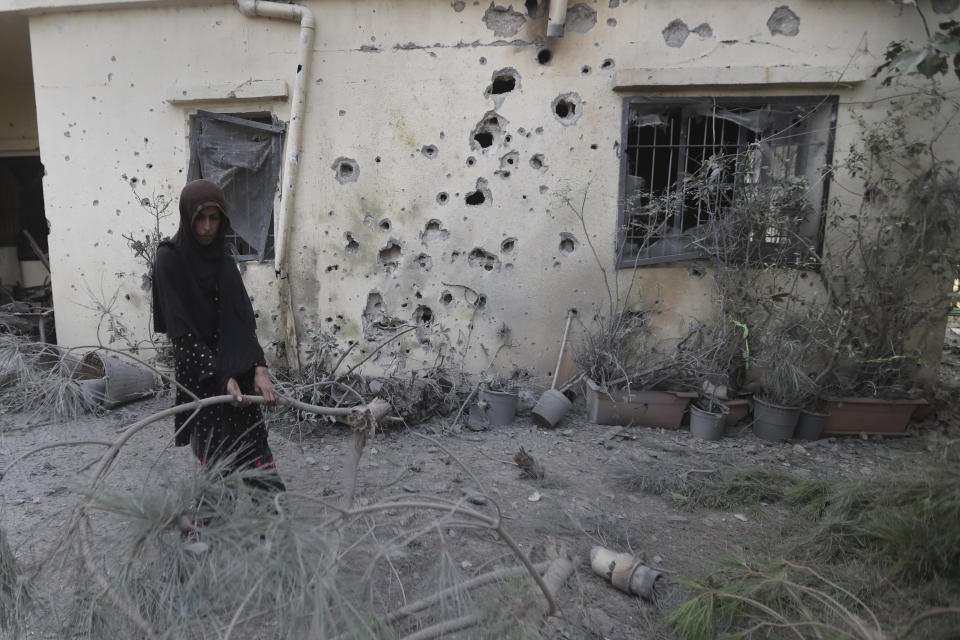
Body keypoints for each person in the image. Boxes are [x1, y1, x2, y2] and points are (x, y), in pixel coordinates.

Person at [152, 178, 285, 494]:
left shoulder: (224, 261)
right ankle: (201, 541)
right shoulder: (170, 260)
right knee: (218, 475)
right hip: (201, 374)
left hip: (236, 365)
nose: (206, 227)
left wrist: (260, 369)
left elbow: (242, 322)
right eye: (200, 218)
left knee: (259, 465)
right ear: (187, 217)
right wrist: (219, 378)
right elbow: (182, 335)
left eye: (214, 218)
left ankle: (273, 536)